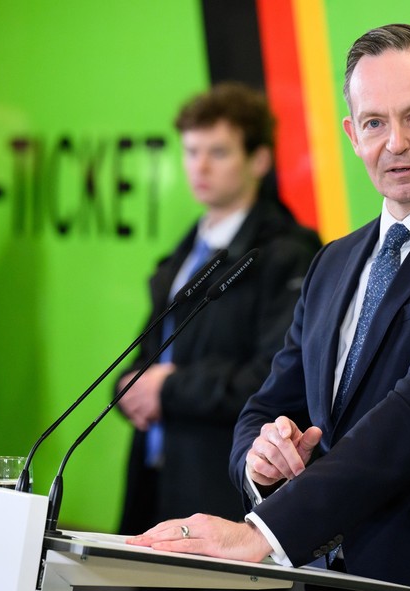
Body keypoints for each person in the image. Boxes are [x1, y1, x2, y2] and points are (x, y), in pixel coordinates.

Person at [127, 24, 410, 591]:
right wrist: (261, 462)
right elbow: (267, 402)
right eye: (374, 123)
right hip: (326, 577)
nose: (395, 144)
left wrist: (264, 531)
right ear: (351, 134)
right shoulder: (334, 260)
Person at [115, 82, 322, 535]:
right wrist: (129, 385)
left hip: (218, 493)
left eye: (219, 152)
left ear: (259, 160)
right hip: (155, 479)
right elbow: (154, 353)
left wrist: (168, 389)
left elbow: (275, 379)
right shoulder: (182, 253)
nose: (200, 166)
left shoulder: (287, 253)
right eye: (191, 151)